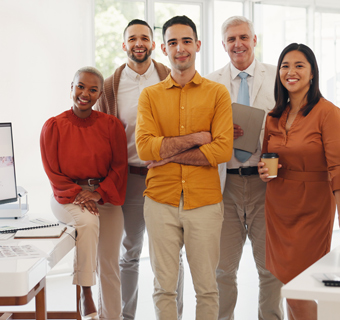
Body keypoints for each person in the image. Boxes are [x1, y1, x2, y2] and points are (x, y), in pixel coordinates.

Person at [135, 15, 233, 320]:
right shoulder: (149, 96)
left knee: (207, 288)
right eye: (173, 42)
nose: (181, 49)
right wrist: (195, 140)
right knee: (164, 287)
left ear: (198, 45)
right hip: (159, 200)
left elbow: (222, 149)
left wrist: (167, 153)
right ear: (164, 48)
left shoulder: (217, 93)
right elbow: (145, 148)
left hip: (204, 202)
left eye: (186, 41)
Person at [258, 43, 340, 320]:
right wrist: (263, 170)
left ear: (313, 73)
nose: (291, 72)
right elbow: (267, 159)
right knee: (289, 287)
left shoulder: (328, 112)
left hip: (312, 208)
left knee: (298, 291)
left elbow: (339, 167)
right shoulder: (273, 116)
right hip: (278, 208)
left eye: (299, 66)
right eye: (285, 66)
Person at [94, 18, 184, 320]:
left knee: (171, 255)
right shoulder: (110, 87)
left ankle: (171, 315)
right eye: (132, 38)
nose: (138, 43)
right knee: (129, 253)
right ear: (124, 45)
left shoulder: (169, 77)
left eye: (144, 37)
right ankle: (125, 316)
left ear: (153, 44)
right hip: (129, 179)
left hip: (167, 175)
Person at [206, 16, 283, 320]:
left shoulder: (278, 77)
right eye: (231, 39)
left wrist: (273, 162)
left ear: (254, 40)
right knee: (223, 269)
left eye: (243, 37)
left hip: (266, 185)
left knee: (270, 268)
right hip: (226, 185)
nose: (238, 44)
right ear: (223, 44)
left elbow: (287, 127)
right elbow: (202, 131)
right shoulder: (211, 82)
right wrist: (220, 133)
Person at [40, 66, 128, 320]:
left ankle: (112, 316)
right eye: (80, 87)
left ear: (100, 94)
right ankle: (85, 290)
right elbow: (52, 171)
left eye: (92, 90)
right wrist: (80, 194)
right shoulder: (54, 126)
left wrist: (99, 194)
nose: (85, 94)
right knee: (88, 222)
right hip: (67, 195)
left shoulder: (111, 126)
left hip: (105, 193)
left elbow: (119, 166)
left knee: (110, 264)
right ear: (71, 88)